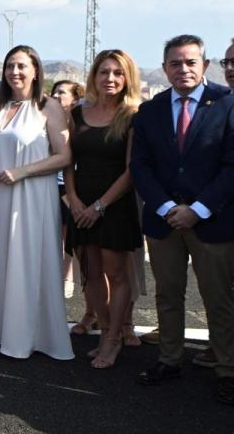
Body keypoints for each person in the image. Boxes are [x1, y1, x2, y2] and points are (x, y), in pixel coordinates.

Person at [131, 34, 234, 405]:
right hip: (165, 222)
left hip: (212, 220)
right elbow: (141, 166)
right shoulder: (151, 109)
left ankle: (228, 369)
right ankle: (170, 359)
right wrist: (165, 208)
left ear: (205, 66)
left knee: (218, 298)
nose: (183, 69)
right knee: (168, 294)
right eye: (175, 63)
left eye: (191, 62)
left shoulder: (227, 103)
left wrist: (198, 209)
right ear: (164, 68)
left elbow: (231, 166)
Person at [0, 45, 73, 360]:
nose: (15, 72)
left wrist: (21, 172)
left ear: (36, 71)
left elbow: (65, 155)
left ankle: (30, 336)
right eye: (10, 66)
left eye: (22, 66)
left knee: (27, 262)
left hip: (31, 197)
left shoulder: (49, 106)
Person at [63, 50, 143, 368]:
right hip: (82, 206)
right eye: (104, 72)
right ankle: (107, 330)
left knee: (116, 275)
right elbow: (68, 163)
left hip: (114, 206)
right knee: (90, 275)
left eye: (117, 73)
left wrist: (99, 206)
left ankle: (113, 339)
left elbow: (130, 171)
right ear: (94, 76)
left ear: (127, 79)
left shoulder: (133, 116)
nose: (110, 78)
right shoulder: (78, 114)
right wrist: (75, 201)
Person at [51, 81, 85, 301]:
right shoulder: (46, 119)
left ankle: (68, 278)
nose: (55, 95)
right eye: (54, 91)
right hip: (48, 183)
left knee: (68, 235)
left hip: (69, 185)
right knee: (52, 234)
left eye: (61, 92)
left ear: (75, 98)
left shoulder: (80, 121)